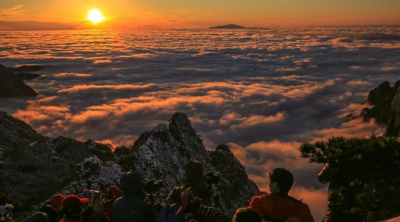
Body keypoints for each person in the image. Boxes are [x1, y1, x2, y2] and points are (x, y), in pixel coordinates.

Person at [248, 168, 314, 222]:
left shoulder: (259, 202)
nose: (269, 184)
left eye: (270, 182)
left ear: (275, 185)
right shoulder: (302, 209)